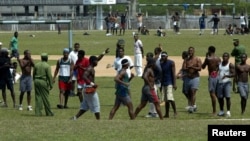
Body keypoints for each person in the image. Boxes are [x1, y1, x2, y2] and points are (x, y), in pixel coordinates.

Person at [71, 55, 105, 120]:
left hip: (87, 88)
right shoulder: (90, 68)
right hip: (90, 89)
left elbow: (98, 59)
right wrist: (92, 83)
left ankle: (75, 118)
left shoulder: (90, 67)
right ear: (93, 61)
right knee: (96, 105)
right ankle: (99, 121)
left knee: (85, 106)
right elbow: (84, 76)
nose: (97, 62)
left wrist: (103, 53)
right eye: (96, 61)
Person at [201, 46, 221, 115]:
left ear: (209, 50)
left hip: (212, 76)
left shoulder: (208, 58)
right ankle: (221, 109)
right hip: (218, 75)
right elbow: (220, 67)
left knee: (212, 94)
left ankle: (214, 111)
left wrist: (206, 57)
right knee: (218, 94)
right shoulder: (218, 58)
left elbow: (202, 67)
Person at [183, 47, 202, 113]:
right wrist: (188, 68)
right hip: (188, 77)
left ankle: (191, 106)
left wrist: (192, 67)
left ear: (194, 51)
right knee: (187, 92)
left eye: (191, 51)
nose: (190, 52)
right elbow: (184, 68)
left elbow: (200, 68)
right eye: (189, 51)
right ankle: (193, 105)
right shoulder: (186, 60)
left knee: (193, 91)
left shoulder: (197, 59)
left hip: (195, 77)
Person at [217, 52, 235, 117]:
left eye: (226, 56)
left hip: (227, 83)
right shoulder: (219, 64)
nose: (225, 58)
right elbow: (217, 71)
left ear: (228, 57)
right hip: (220, 82)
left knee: (227, 97)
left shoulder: (230, 65)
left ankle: (228, 111)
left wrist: (227, 76)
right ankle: (221, 111)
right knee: (220, 98)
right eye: (224, 56)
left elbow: (234, 74)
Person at [160, 52, 177, 118]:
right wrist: (161, 85)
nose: (163, 57)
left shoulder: (171, 63)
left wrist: (174, 83)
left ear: (167, 56)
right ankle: (167, 114)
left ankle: (175, 111)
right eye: (162, 56)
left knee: (170, 98)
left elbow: (173, 73)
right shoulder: (161, 64)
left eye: (164, 56)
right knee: (166, 100)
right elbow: (162, 75)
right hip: (164, 83)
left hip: (169, 82)